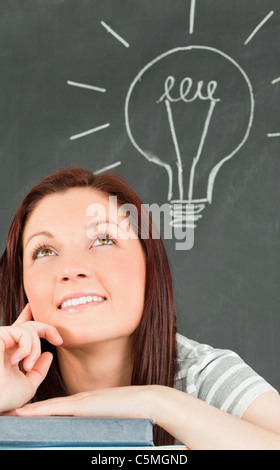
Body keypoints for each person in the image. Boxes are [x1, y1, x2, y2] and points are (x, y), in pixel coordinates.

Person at [0, 166, 280, 450]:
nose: (71, 269)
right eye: (45, 251)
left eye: (104, 240)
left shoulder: (202, 378)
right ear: (21, 284)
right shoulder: (7, 380)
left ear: (149, 267)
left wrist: (158, 403)